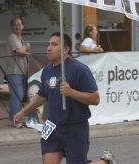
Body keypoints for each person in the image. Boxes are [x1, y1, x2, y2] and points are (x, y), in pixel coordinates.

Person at [14, 32, 116, 164]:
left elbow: (95, 99)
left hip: (75, 128)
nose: (49, 48)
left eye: (54, 44)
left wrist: (71, 92)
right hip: (52, 126)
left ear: (66, 49)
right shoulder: (47, 70)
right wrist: (23, 111)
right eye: (48, 44)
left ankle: (105, 162)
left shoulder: (79, 69)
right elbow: (42, 96)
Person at [6, 16, 31, 128]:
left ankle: (18, 118)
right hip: (14, 71)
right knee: (17, 95)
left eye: (19, 24)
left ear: (23, 26)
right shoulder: (12, 37)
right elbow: (20, 51)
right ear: (12, 27)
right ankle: (13, 120)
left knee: (20, 96)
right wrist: (26, 47)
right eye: (15, 24)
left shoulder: (21, 39)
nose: (18, 26)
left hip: (21, 72)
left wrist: (25, 46)